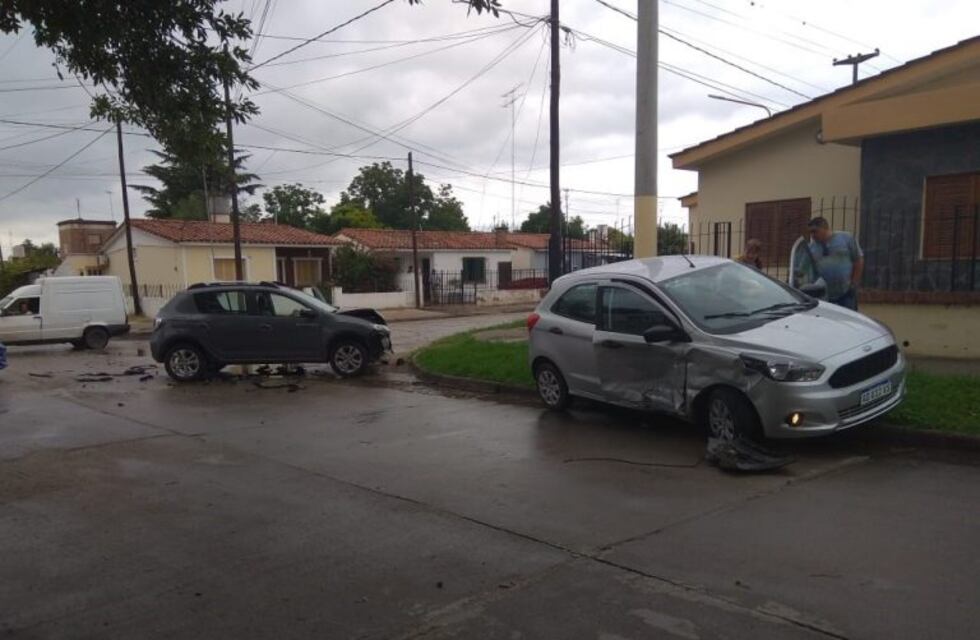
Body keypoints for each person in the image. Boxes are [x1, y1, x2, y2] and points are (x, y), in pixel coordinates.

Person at [807, 216, 863, 310]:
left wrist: (854, 283)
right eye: (810, 232)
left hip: (847, 292)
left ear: (825, 228)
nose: (812, 235)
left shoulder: (846, 238)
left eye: (815, 231)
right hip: (824, 295)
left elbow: (858, 260)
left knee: (848, 320)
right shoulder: (811, 248)